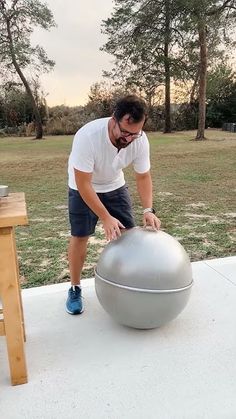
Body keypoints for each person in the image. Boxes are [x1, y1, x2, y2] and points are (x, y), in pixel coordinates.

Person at [66, 95, 161, 315]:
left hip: (115, 186)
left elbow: (143, 177)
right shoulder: (87, 136)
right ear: (113, 120)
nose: (129, 139)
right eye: (125, 132)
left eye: (134, 134)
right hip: (82, 188)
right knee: (80, 236)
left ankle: (127, 284)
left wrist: (148, 209)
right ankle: (74, 287)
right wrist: (105, 217)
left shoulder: (140, 140)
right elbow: (83, 183)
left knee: (129, 235)